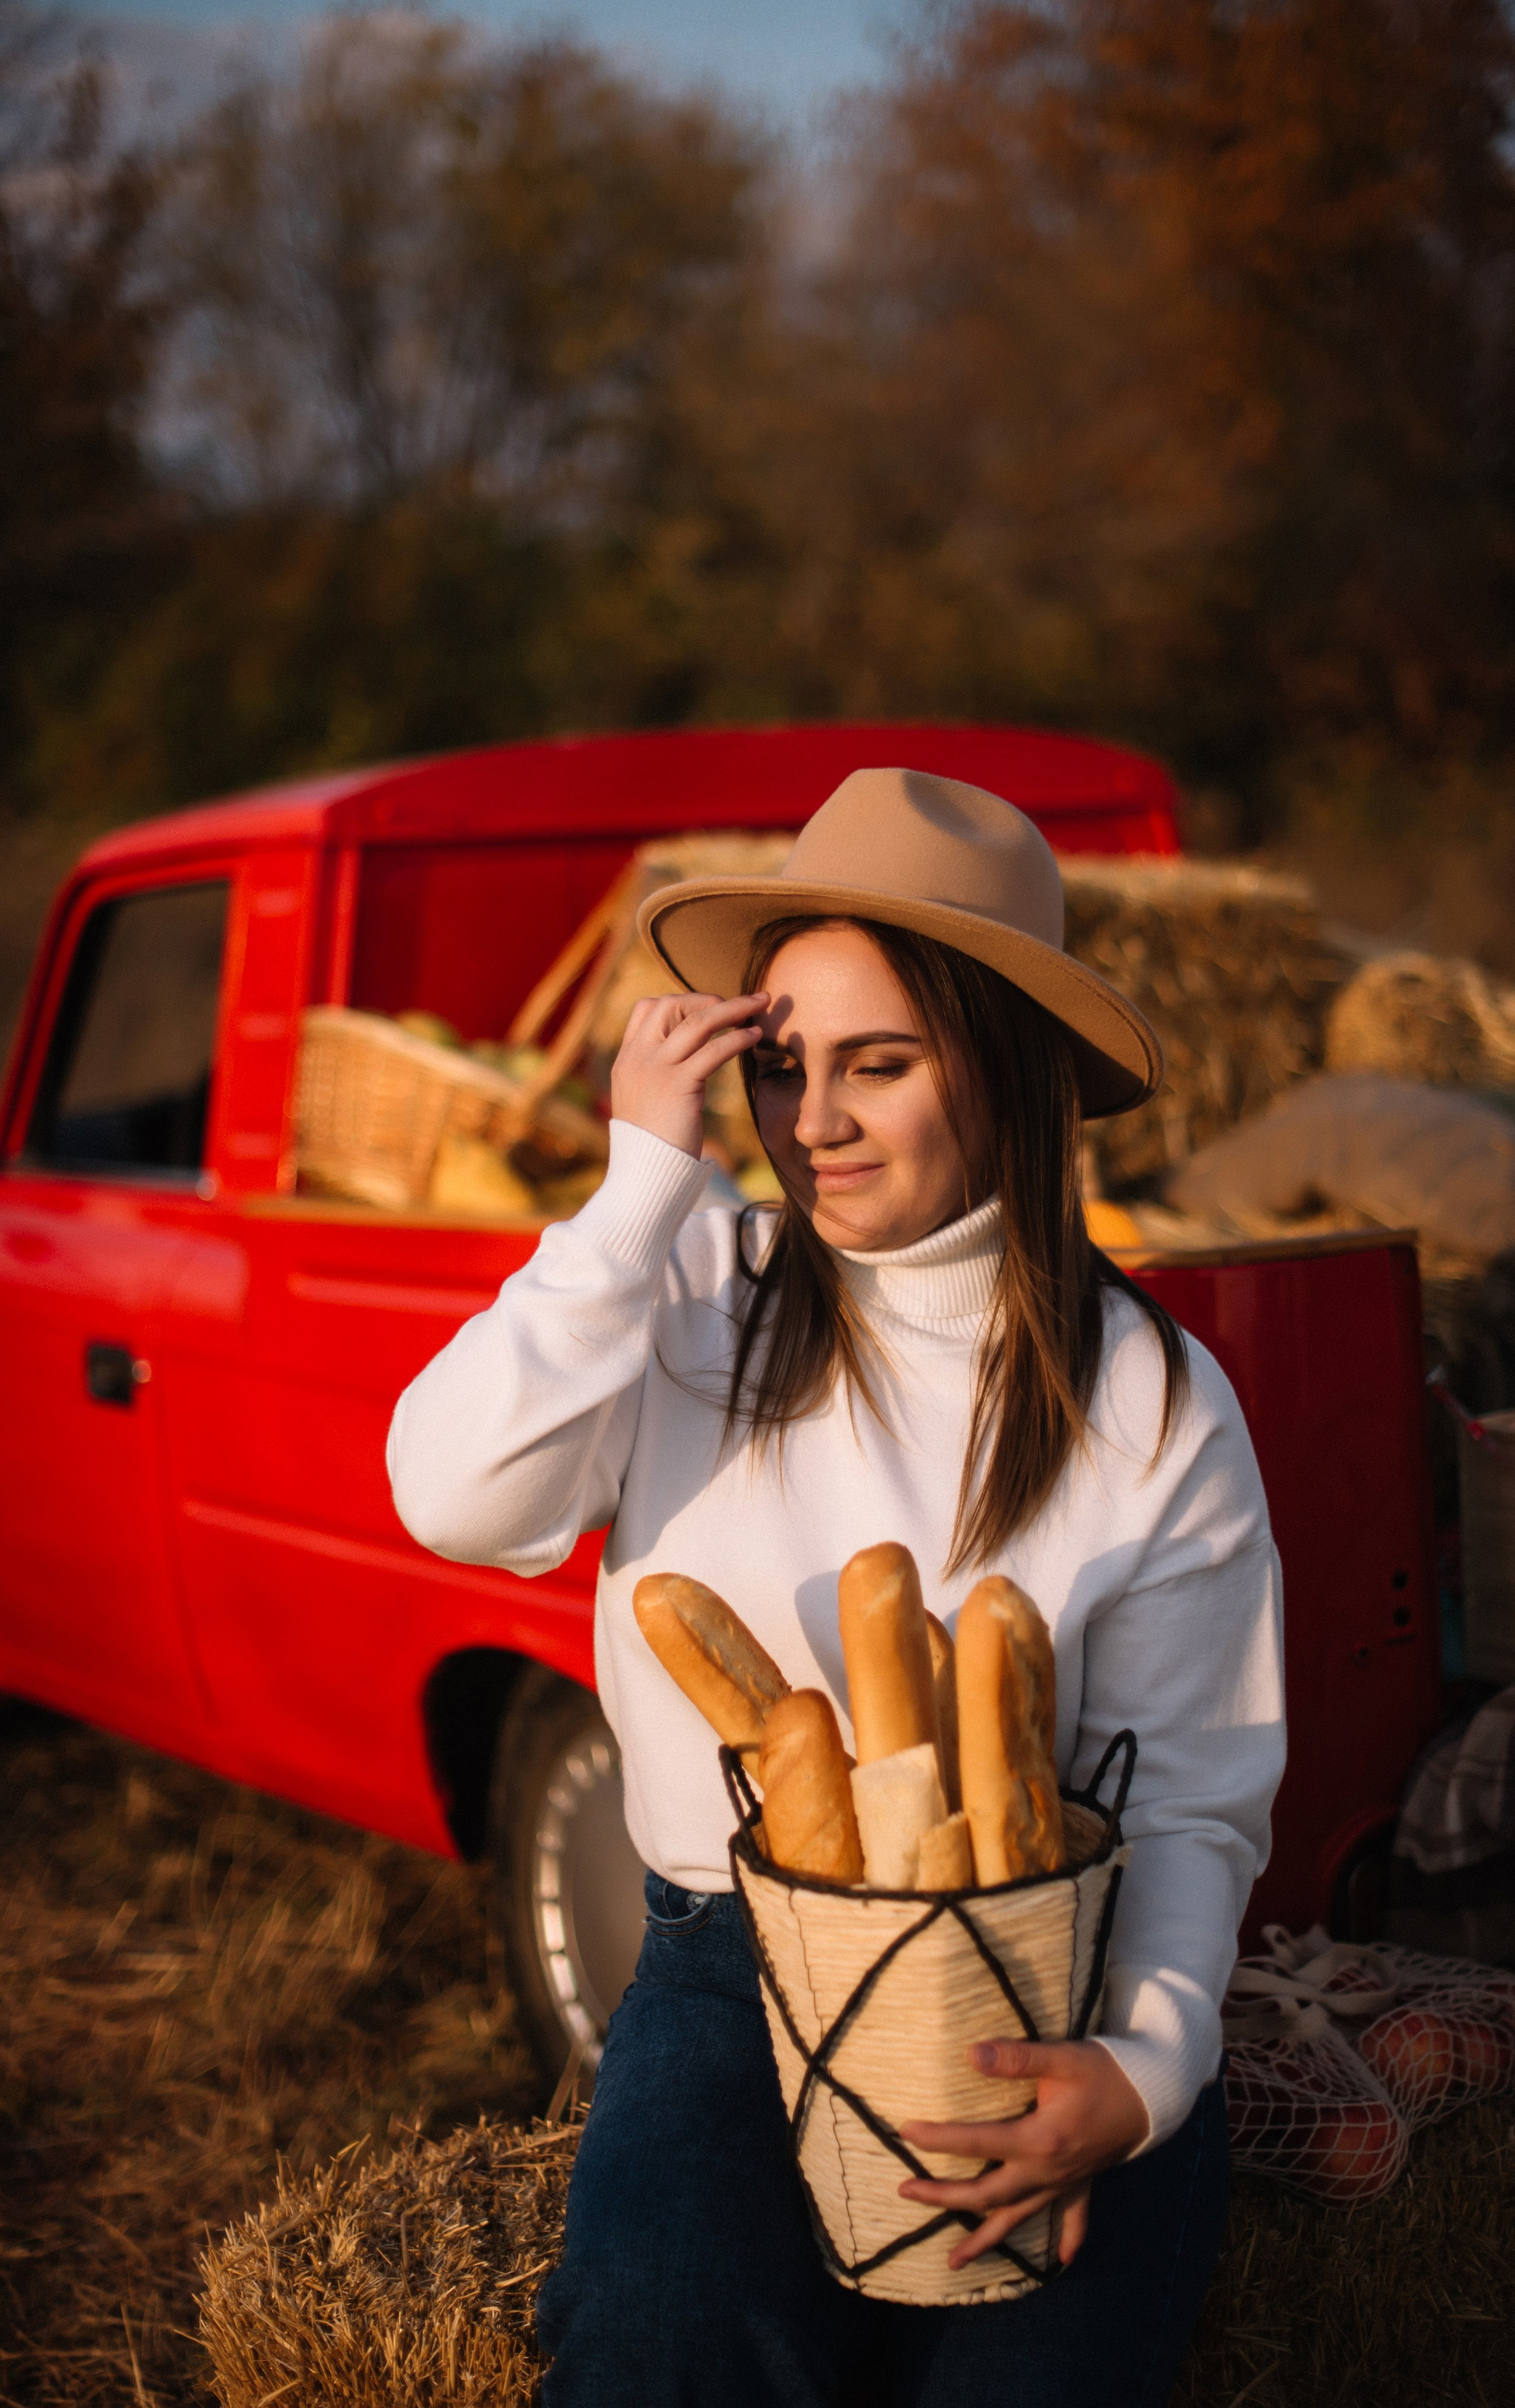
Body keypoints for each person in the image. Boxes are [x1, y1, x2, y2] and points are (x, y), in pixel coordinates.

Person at [387, 768, 1285, 2408]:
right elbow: (451, 1489)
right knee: (655, 2354)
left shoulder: (1154, 1395)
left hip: (1049, 1978)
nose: (815, 1122)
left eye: (878, 1064)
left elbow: (1192, 1802)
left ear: (1008, 1064)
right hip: (731, 1973)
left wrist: (1139, 2071)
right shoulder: (687, 1296)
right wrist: (638, 1188)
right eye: (787, 1066)